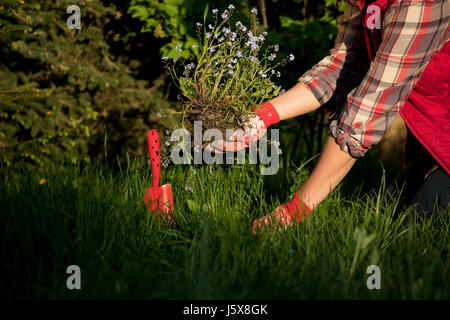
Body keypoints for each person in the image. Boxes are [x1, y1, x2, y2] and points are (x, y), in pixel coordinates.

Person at [206, 0, 450, 232]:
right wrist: (261, 117)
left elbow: (367, 111)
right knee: (391, 219)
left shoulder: (422, 3)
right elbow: (341, 67)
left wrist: (294, 211)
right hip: (431, 129)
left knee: (413, 234)